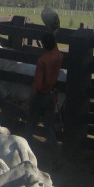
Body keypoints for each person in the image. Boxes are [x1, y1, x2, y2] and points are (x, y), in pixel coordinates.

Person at [25, 32, 64, 161]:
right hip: (52, 96)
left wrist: (28, 101)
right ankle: (57, 155)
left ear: (44, 45)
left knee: (30, 123)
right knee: (49, 126)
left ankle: (26, 152)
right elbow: (55, 48)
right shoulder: (59, 56)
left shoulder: (42, 61)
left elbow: (36, 85)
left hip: (40, 96)